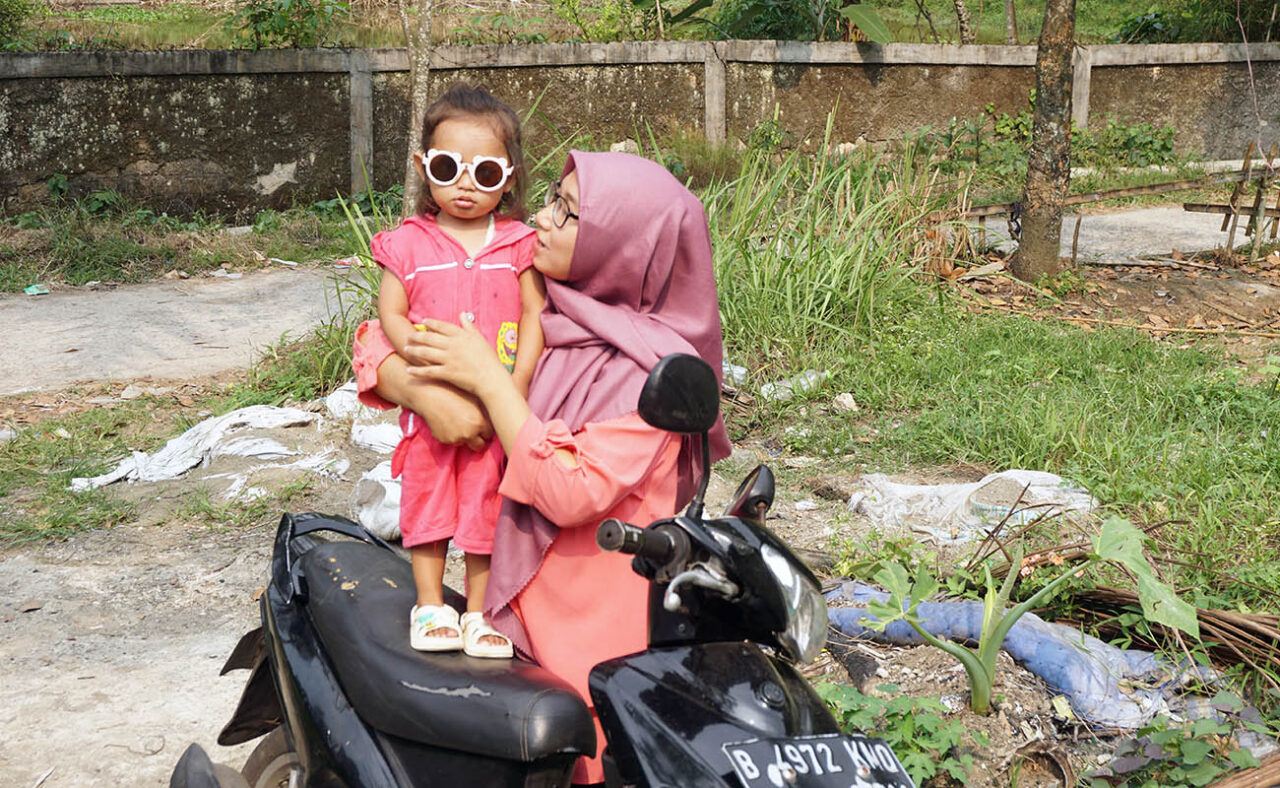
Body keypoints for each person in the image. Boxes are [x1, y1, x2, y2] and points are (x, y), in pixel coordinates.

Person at [403, 150, 732, 785]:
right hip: (516, 610)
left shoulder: (651, 368)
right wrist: (412, 387)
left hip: (590, 635)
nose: (544, 221)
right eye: (552, 198)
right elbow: (387, 336)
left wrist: (486, 382)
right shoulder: (554, 314)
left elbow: (570, 489)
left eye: (569, 213)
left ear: (624, 251)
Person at [350, 84, 545, 659]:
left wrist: (515, 387)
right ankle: (431, 603)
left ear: (508, 178)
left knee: (488, 509)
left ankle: (481, 613)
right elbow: (391, 313)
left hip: (494, 410)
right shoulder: (408, 244)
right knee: (429, 504)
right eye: (446, 167)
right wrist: (417, 362)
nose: (464, 184)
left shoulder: (519, 244)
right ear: (422, 166)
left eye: (484, 173)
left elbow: (535, 315)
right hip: (430, 405)